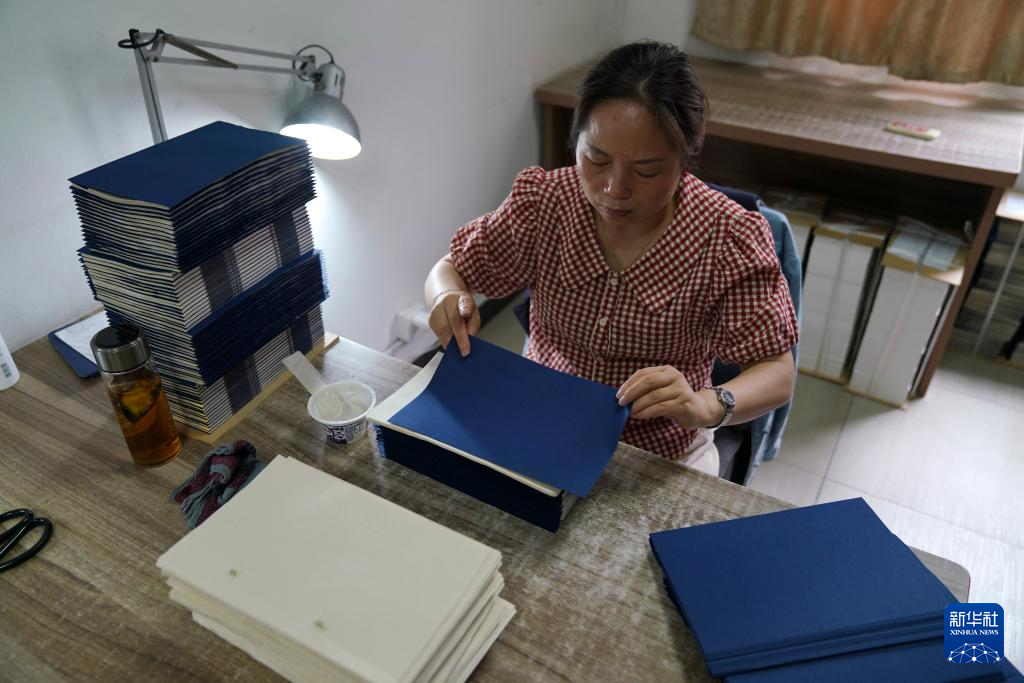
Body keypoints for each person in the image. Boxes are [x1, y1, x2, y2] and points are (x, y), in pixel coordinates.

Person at [424, 41, 798, 476]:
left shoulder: (725, 238)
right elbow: (450, 268)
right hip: (543, 423)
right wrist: (446, 298)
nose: (614, 189)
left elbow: (778, 371)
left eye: (646, 171)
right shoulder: (546, 202)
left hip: (659, 453)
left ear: (685, 160)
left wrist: (707, 405)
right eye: (596, 159)